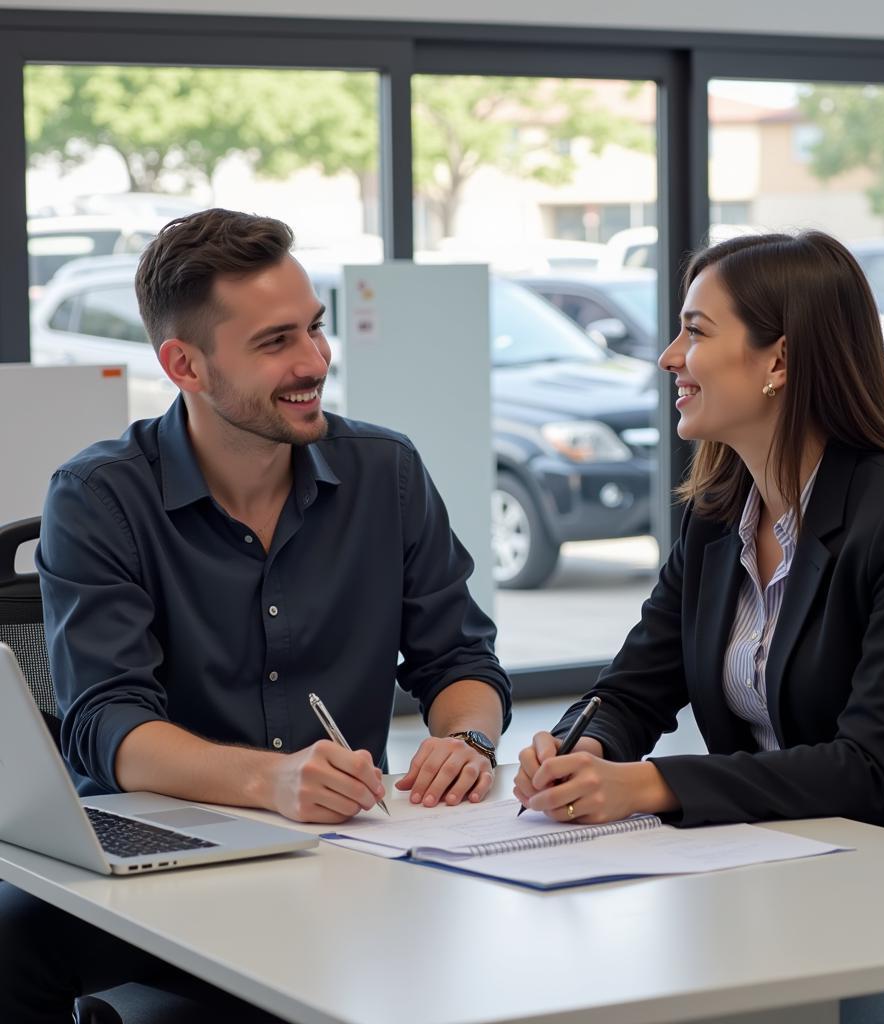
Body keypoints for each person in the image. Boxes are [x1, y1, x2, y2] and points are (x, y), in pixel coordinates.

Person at [0, 207, 511, 1022]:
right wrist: (271, 779)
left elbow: (461, 663)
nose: (315, 360)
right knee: (9, 943)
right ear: (185, 365)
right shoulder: (99, 497)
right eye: (276, 343)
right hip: (166, 862)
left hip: (346, 858)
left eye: (314, 328)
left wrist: (467, 739)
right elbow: (109, 723)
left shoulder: (388, 472)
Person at [514, 230, 884, 1024]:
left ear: (778, 362)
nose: (669, 357)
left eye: (697, 330)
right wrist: (585, 751)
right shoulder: (717, 520)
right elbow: (632, 689)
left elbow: (868, 769)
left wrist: (648, 784)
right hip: (792, 875)